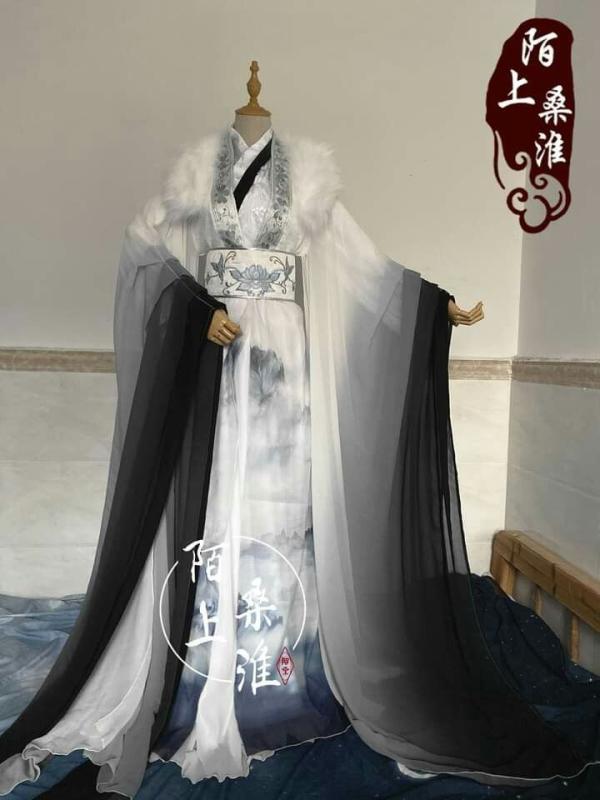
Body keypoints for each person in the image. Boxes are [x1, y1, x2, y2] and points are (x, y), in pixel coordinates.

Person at [0, 122, 589, 799]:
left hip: (282, 357)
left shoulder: (305, 175)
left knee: (278, 507)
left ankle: (279, 678)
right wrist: (194, 308)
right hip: (217, 355)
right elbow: (142, 243)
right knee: (212, 506)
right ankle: (196, 672)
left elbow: (364, 265)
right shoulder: (199, 170)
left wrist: (435, 305)